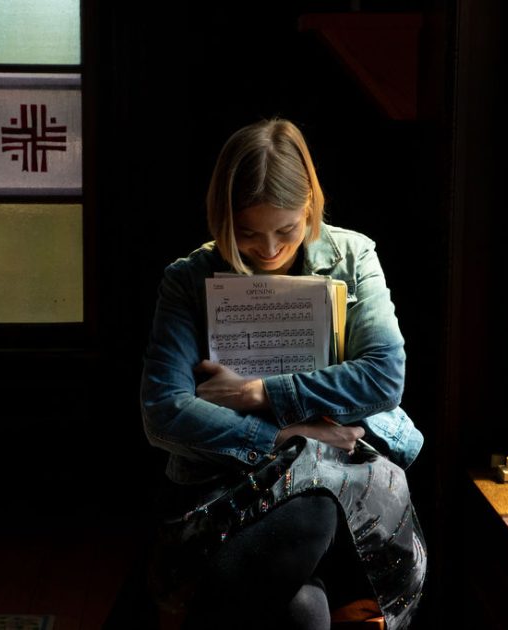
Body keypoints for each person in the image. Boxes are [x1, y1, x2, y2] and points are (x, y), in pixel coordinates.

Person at [139, 118, 426, 629]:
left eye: (286, 230)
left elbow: (384, 377)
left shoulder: (353, 256)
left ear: (310, 206)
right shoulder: (187, 279)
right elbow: (163, 410)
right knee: (304, 609)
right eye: (248, 232)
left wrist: (258, 393)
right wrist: (287, 434)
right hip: (228, 481)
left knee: (319, 497)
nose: (269, 248)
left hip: (343, 476)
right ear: (222, 217)